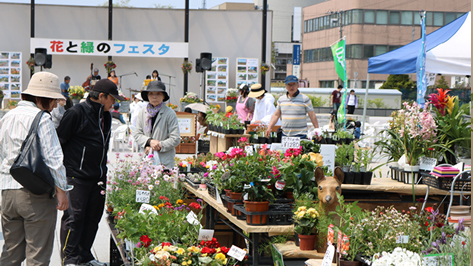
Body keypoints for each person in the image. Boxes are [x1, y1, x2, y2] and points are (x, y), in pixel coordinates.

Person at [0, 72, 70, 265]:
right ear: (41, 98)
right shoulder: (42, 119)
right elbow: (54, 159)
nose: (55, 104)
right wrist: (62, 190)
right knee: (37, 255)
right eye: (53, 100)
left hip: (8, 193)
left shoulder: (7, 116)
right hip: (35, 194)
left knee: (11, 253)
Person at [58, 79, 125, 266]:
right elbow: (60, 141)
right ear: (101, 97)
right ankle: (69, 259)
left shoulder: (107, 116)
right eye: (112, 99)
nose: (115, 103)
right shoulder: (77, 112)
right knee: (74, 218)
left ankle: (84, 256)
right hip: (75, 176)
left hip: (98, 177)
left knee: (92, 218)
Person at [134, 81, 180, 168]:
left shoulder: (170, 113)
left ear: (163, 96)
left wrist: (158, 145)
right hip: (146, 160)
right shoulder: (142, 112)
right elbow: (137, 134)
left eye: (158, 93)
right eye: (151, 93)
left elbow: (175, 138)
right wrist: (149, 142)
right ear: (147, 96)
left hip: (164, 162)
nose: (154, 96)